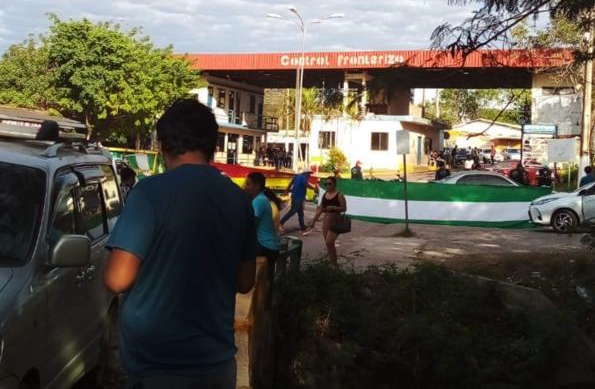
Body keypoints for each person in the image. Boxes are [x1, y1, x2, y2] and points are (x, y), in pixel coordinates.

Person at [104, 99, 257, 389]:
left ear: (163, 145)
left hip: (154, 365)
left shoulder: (149, 193)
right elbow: (245, 280)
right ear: (212, 144)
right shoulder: (238, 200)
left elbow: (116, 279)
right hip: (215, 364)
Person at [304, 177, 347, 265]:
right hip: (326, 220)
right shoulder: (325, 195)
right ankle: (332, 263)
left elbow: (344, 208)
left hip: (335, 220)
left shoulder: (339, 195)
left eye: (330, 184)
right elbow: (320, 209)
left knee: (329, 241)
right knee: (328, 244)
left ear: (334, 184)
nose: (327, 186)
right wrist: (313, 221)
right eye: (326, 184)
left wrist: (334, 208)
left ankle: (334, 264)